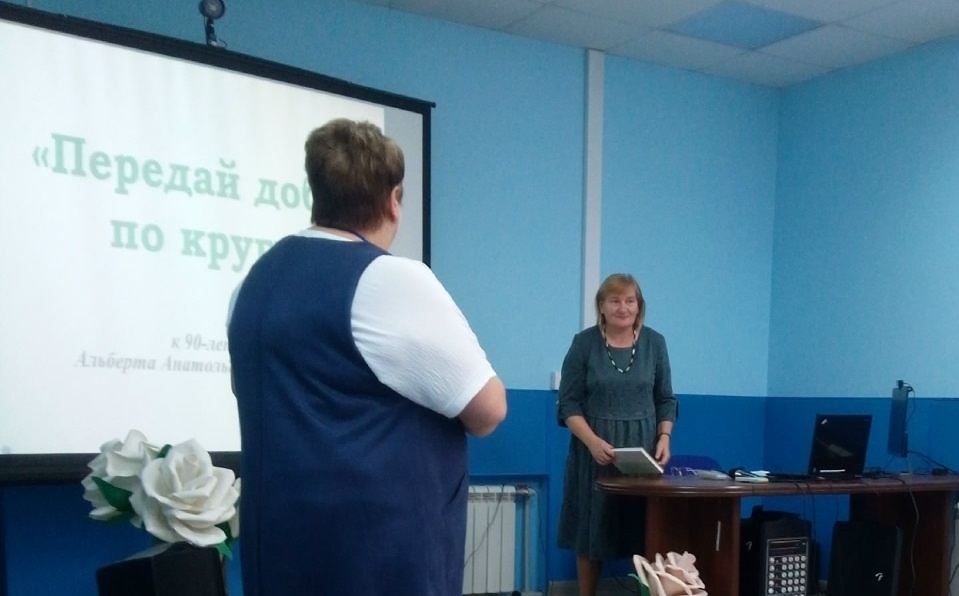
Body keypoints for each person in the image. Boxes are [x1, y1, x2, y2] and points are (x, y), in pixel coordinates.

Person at [227, 118, 507, 596]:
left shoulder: (251, 283)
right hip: (375, 560)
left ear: (317, 191)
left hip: (280, 553)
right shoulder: (390, 279)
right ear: (393, 200)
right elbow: (488, 410)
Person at [556, 273, 678, 596]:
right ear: (602, 306)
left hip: (643, 452)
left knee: (645, 527)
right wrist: (592, 442)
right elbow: (568, 403)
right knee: (590, 531)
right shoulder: (583, 344)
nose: (623, 308)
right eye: (615, 301)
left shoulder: (655, 343)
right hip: (593, 451)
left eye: (629, 301)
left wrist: (664, 437)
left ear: (639, 306)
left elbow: (665, 399)